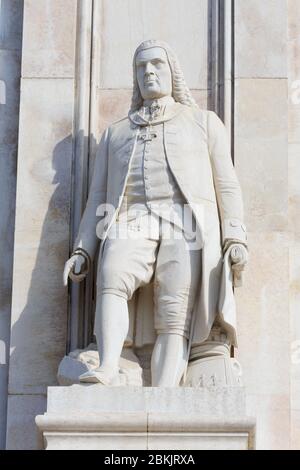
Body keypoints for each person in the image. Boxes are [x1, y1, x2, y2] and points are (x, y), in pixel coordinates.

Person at [64, 39, 248, 387]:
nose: (148, 71)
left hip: (186, 224)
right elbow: (97, 197)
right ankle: (106, 366)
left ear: (171, 71)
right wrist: (83, 249)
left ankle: (165, 391)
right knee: (111, 276)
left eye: (156, 65)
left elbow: (227, 186)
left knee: (174, 313)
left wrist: (236, 236)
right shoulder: (115, 134)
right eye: (141, 66)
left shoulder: (203, 123)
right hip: (130, 221)